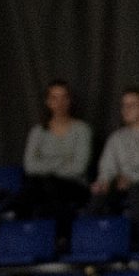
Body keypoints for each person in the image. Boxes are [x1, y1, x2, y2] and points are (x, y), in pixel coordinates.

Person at [89, 86, 139, 227]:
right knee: (99, 193)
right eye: (124, 105)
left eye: (131, 105)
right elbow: (107, 166)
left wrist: (132, 178)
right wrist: (104, 181)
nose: (125, 110)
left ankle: (136, 240)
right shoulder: (116, 138)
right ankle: (91, 237)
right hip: (120, 184)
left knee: (137, 192)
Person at [21, 79, 92, 225]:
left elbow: (79, 168)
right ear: (47, 102)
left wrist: (47, 167)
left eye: (63, 97)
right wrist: (62, 162)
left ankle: (61, 234)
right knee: (31, 191)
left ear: (69, 100)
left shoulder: (82, 129)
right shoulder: (38, 131)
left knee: (47, 186)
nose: (59, 103)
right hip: (42, 184)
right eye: (54, 98)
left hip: (74, 185)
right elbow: (29, 166)